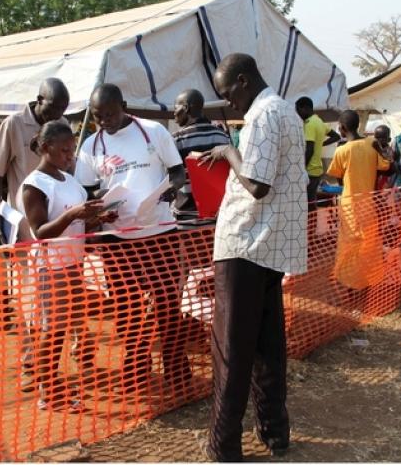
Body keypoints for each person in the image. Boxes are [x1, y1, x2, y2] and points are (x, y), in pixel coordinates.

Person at [197, 53, 307, 461]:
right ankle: (275, 434)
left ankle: (223, 446)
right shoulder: (289, 113)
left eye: (228, 95)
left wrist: (227, 152)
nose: (229, 104)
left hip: (243, 244)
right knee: (267, 346)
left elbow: (257, 184)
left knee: (231, 351)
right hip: (272, 246)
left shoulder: (262, 115)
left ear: (243, 81)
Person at [75, 83, 192, 395]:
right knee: (127, 309)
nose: (105, 122)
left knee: (168, 303)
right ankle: (135, 370)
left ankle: (177, 371)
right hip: (116, 239)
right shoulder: (90, 146)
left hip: (159, 232)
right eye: (98, 117)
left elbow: (179, 173)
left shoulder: (154, 132)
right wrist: (100, 210)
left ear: (124, 105)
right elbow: (86, 192)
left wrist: (168, 192)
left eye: (110, 114)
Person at [21, 120, 116, 411]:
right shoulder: (34, 185)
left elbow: (79, 219)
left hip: (73, 263)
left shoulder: (68, 179)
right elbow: (40, 232)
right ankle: (48, 391)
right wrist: (74, 213)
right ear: (46, 147)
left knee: (63, 328)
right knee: (53, 330)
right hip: (51, 267)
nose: (69, 156)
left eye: (72, 150)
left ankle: (50, 386)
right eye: (64, 150)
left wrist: (98, 217)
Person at [0, 78, 70, 244]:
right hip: (23, 223)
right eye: (54, 107)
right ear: (40, 100)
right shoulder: (14, 124)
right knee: (25, 268)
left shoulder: (62, 124)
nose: (58, 114)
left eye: (63, 108)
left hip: (55, 220)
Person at [326, 110, 392, 297]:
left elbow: (337, 177)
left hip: (350, 206)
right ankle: (368, 280)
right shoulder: (371, 144)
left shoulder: (342, 150)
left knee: (349, 245)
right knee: (368, 242)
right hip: (368, 204)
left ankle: (351, 286)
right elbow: (385, 166)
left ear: (343, 128)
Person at [171, 89, 231, 217]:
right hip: (219, 212)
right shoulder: (221, 135)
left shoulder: (177, 139)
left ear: (185, 108)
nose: (174, 113)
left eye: (175, 108)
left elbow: (171, 177)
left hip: (187, 215)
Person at [295, 96, 340, 211]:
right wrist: (321, 144)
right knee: (312, 200)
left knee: (306, 204)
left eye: (298, 110)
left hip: (309, 170)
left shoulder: (309, 124)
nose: (298, 114)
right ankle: (313, 226)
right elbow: (336, 136)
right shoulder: (320, 122)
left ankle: (309, 227)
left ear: (304, 108)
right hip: (318, 170)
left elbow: (309, 149)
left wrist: (301, 168)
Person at [371, 124, 394, 190]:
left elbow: (389, 162)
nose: (379, 140)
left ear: (389, 140)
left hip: (384, 179)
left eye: (382, 138)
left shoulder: (388, 150)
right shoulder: (373, 148)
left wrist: (379, 150)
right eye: (377, 137)